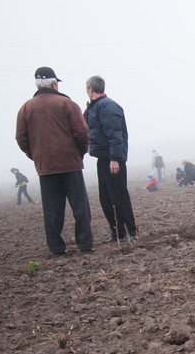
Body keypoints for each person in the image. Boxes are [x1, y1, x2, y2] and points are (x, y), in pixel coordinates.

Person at [15, 67, 93, 256]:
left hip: (45, 168)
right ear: (54, 84)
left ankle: (57, 248)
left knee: (51, 210)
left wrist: (36, 156)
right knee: (80, 207)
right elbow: (82, 132)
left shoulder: (26, 108)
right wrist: (79, 153)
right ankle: (85, 245)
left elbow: (21, 138)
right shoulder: (66, 104)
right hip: (70, 164)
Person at [84, 75, 138, 244]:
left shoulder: (107, 107)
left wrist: (115, 158)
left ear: (91, 89)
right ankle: (117, 233)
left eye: (87, 89)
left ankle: (131, 231)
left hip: (113, 160)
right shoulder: (95, 108)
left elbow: (115, 134)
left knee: (119, 196)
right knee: (105, 198)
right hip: (103, 158)